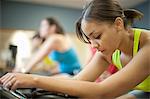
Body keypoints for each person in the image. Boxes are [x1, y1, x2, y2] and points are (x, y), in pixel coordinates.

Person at [0, 0, 150, 98]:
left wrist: (34, 80)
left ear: (118, 24)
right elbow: (78, 81)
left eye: (97, 36)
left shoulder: (147, 45)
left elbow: (103, 92)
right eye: (89, 40)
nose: (93, 45)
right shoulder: (108, 50)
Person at [14, 17, 81, 75]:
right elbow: (46, 61)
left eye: (43, 26)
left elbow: (37, 58)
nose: (40, 29)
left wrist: (23, 71)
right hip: (66, 72)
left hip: (73, 73)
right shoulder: (56, 39)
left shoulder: (55, 38)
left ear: (52, 27)